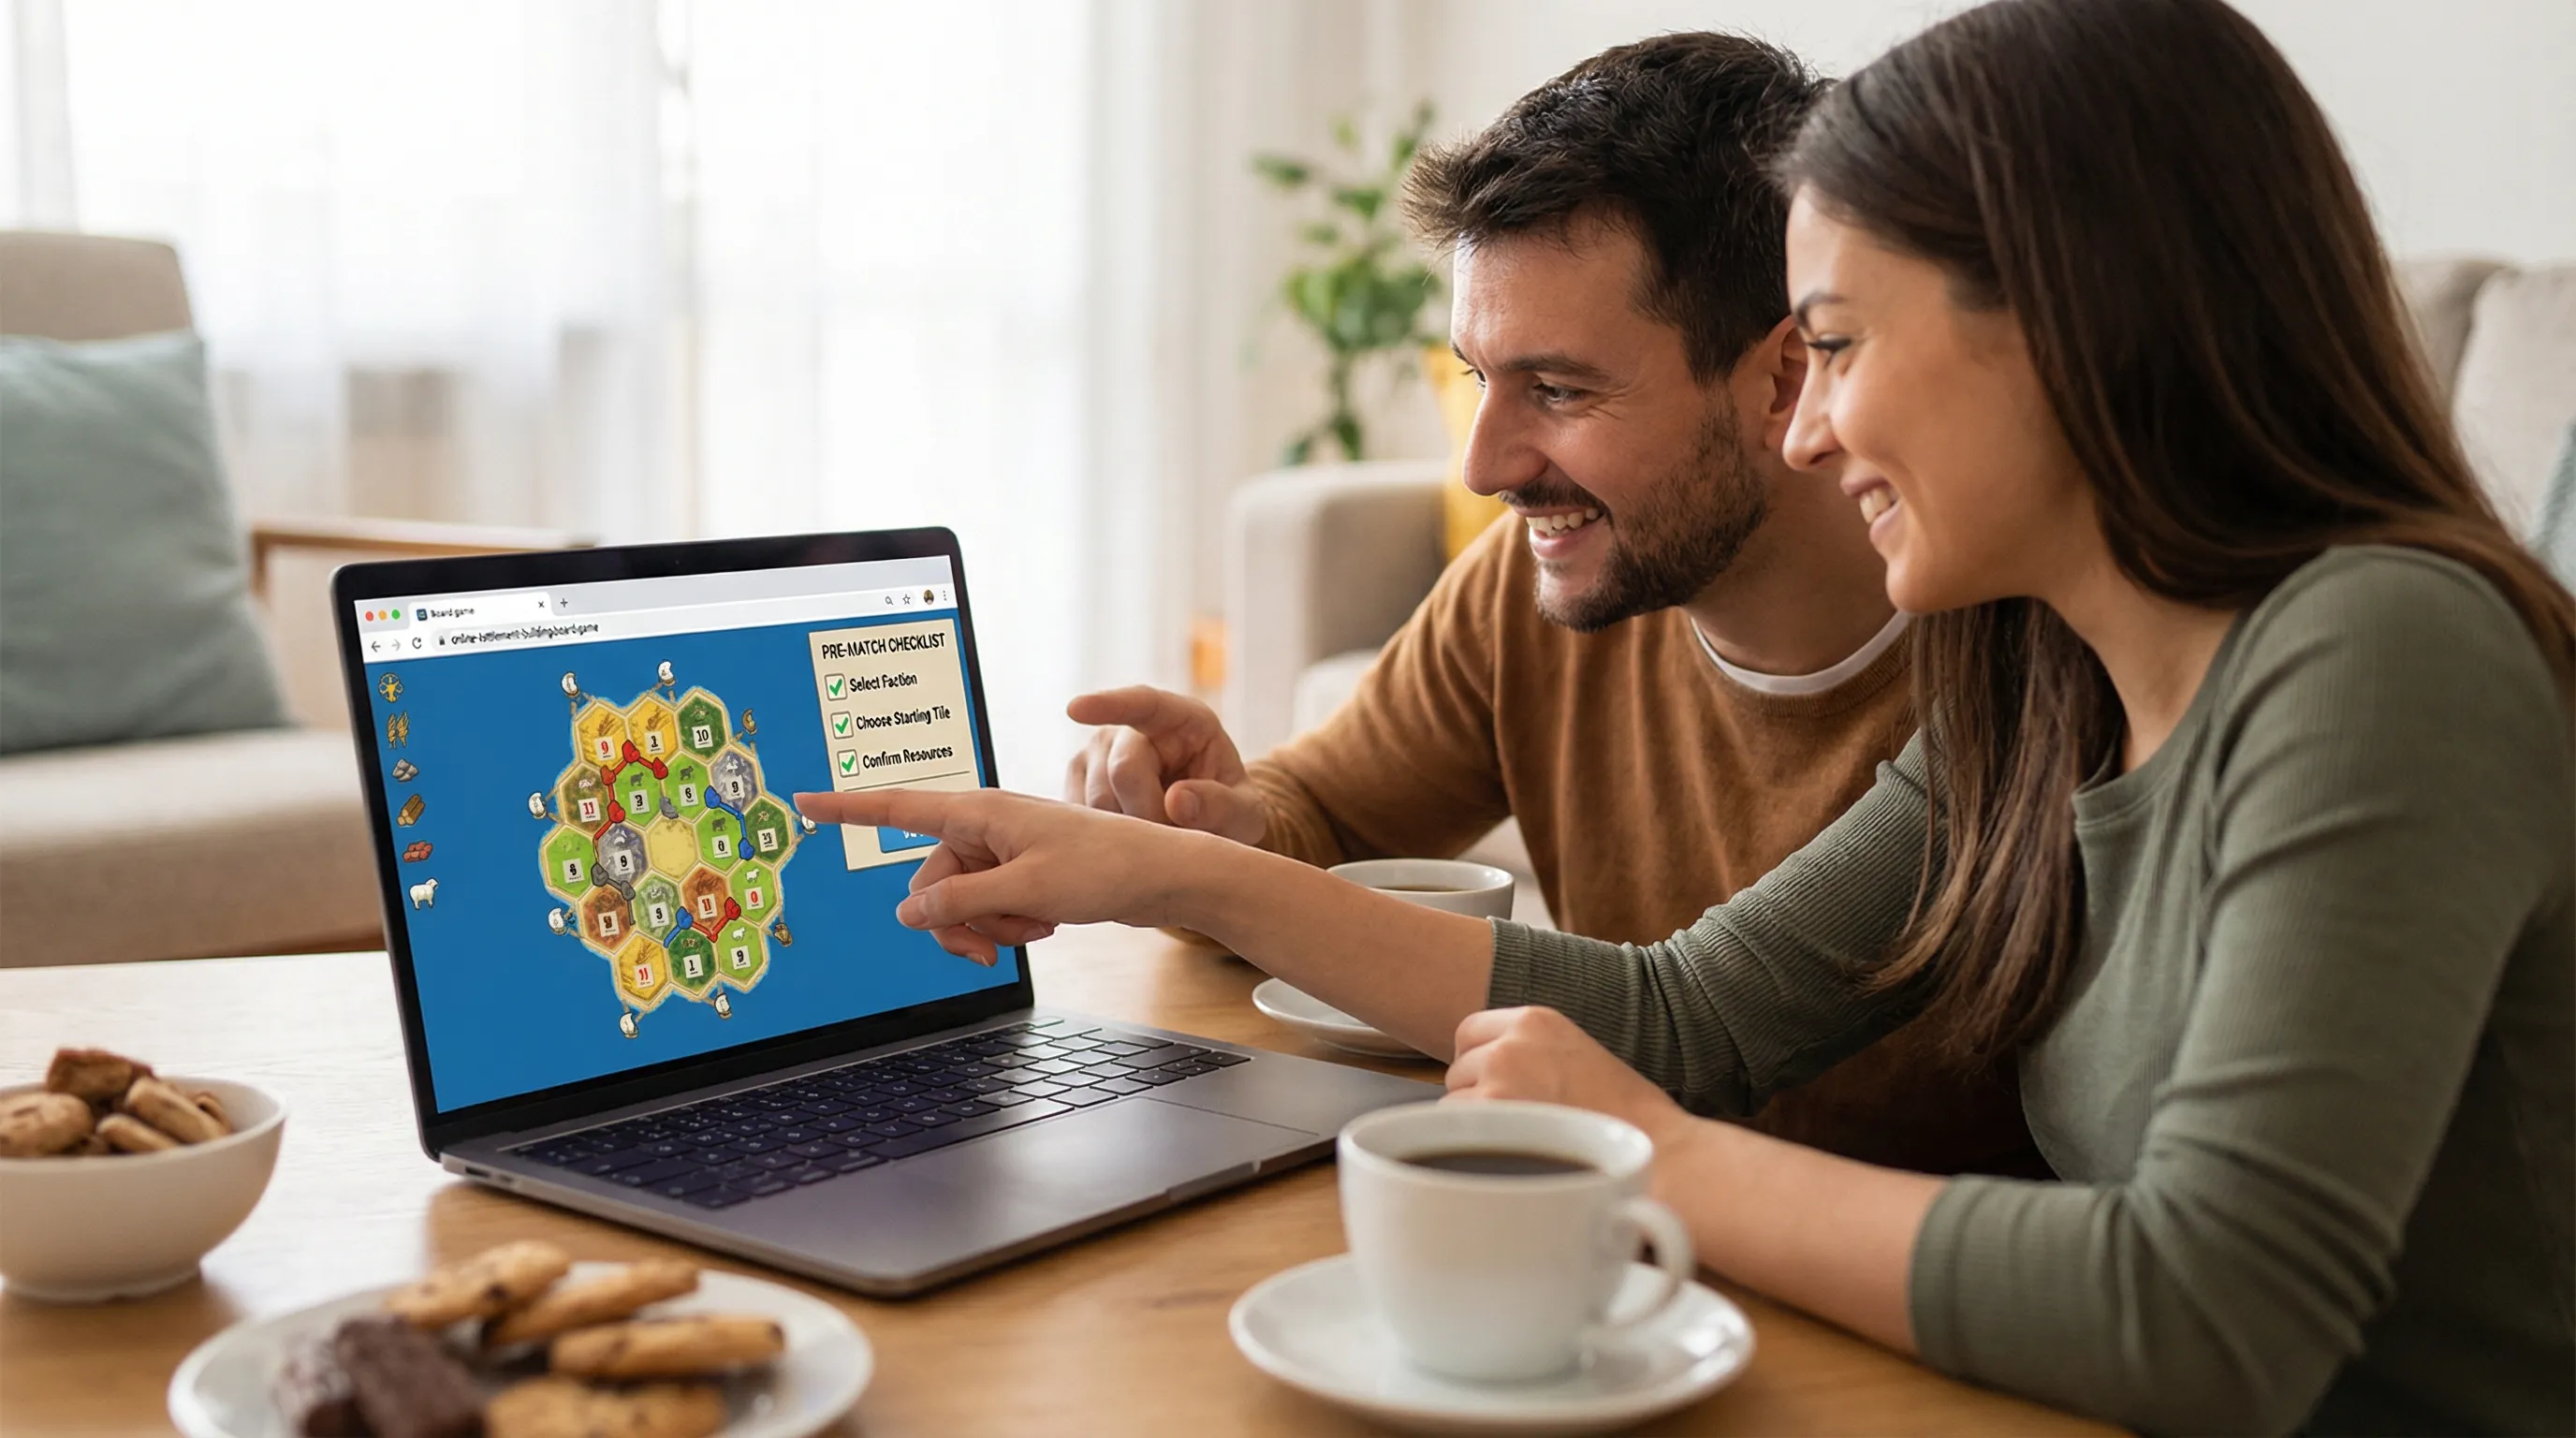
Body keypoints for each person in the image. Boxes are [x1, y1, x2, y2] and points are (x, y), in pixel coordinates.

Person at [805, 1, 2576, 1430]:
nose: (1811, 433)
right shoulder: (2039, 676)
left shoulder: (2381, 654)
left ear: (2062, 330)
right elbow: (1694, 1008)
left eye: (1842, 345)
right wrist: (1156, 869)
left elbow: (2209, 1317)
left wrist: (1662, 1161)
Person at [1060, 32, 2035, 1178]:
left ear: (1784, 377)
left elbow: (1686, 1023)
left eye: (1559, 389)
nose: (1482, 466)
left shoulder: (2021, 650)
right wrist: (1219, 822)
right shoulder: (1527, 591)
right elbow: (1319, 815)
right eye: (1481, 377)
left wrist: (1196, 876)